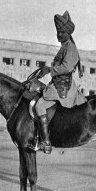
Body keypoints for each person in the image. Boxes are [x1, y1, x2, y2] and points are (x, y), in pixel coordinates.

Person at [32, 10, 86, 154]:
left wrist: (50, 69)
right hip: (57, 85)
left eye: (62, 32)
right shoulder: (65, 47)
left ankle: (46, 142)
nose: (59, 35)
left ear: (68, 33)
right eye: (58, 32)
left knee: (39, 106)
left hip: (63, 88)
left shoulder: (70, 48)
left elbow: (67, 67)